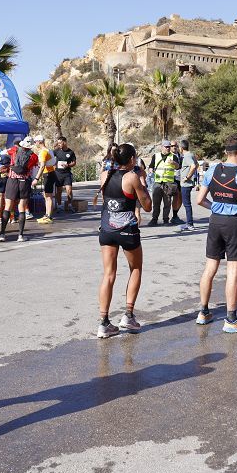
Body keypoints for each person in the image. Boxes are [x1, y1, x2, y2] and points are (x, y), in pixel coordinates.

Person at [194, 134, 237, 333]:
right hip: (234, 224)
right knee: (233, 272)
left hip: (215, 221)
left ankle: (203, 312)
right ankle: (231, 319)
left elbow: (199, 200)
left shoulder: (212, 170)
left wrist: (217, 207)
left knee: (210, 267)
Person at [96, 144, 153, 338]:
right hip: (127, 229)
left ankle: (104, 323)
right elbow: (147, 206)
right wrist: (143, 184)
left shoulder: (105, 174)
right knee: (135, 268)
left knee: (108, 274)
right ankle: (128, 315)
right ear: (131, 160)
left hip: (106, 228)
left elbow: (107, 198)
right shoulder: (132, 177)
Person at [0, 137, 39, 242]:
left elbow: (2, 153)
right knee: (22, 207)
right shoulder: (34, 156)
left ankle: (2, 234)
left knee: (8, 206)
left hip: (12, 180)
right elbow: (34, 168)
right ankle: (20, 236)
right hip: (24, 182)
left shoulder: (14, 150)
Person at [149, 140, 180, 226]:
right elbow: (151, 166)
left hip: (168, 183)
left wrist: (174, 163)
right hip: (158, 183)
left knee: (167, 202)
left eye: (169, 147)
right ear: (162, 147)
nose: (168, 148)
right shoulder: (156, 156)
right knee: (156, 203)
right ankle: (154, 219)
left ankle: (165, 220)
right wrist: (151, 170)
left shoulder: (173, 156)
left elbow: (178, 167)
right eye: (166, 147)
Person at [33, 136, 56, 224]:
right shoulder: (48, 150)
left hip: (48, 174)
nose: (35, 144)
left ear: (39, 142)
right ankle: (47, 215)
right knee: (46, 195)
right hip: (50, 174)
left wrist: (36, 178)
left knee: (48, 196)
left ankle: (48, 216)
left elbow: (42, 166)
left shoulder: (43, 152)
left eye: (35, 142)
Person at [177, 139, 198, 231]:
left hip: (186, 184)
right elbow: (196, 164)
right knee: (187, 204)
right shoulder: (191, 154)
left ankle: (190, 224)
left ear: (181, 148)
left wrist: (187, 177)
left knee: (187, 204)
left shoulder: (187, 156)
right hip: (188, 183)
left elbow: (193, 166)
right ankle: (189, 223)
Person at [52, 136, 77, 213]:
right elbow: (50, 155)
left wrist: (68, 165)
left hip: (67, 174)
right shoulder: (56, 151)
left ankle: (69, 205)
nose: (59, 144)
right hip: (58, 174)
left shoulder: (71, 152)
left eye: (60, 143)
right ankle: (59, 206)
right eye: (58, 143)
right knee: (59, 191)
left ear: (65, 142)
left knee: (69, 190)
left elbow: (74, 162)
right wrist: (53, 165)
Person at [92, 143, 118, 208]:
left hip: (116, 181)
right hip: (106, 181)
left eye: (115, 150)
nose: (113, 152)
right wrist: (103, 167)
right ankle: (105, 210)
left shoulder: (119, 160)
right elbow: (101, 173)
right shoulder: (106, 159)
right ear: (109, 151)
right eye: (112, 150)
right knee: (105, 199)